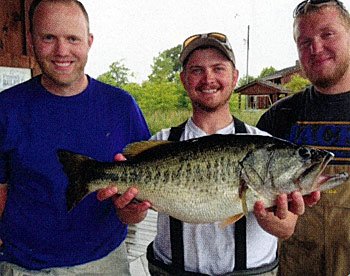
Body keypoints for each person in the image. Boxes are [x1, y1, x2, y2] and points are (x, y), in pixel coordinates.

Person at [132, 32, 318, 276]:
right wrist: (130, 210)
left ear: (234, 77)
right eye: (197, 70)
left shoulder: (263, 143)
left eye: (218, 68)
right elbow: (129, 216)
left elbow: (286, 230)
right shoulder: (162, 142)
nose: (208, 78)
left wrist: (276, 222)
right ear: (183, 79)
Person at [0, 0, 151, 275]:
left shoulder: (122, 106)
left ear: (89, 42)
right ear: (32, 41)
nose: (62, 51)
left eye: (73, 38)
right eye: (49, 38)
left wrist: (132, 212)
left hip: (106, 263)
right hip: (23, 266)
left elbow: (141, 190)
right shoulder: (6, 108)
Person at [256, 1, 350, 275]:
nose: (316, 48)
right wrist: (271, 221)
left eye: (327, 34)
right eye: (304, 41)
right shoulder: (278, 117)